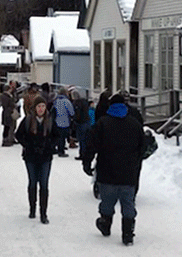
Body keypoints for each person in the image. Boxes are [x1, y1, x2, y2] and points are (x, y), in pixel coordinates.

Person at [81, 93, 144, 245]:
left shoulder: (103, 123)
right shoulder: (134, 124)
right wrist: (135, 161)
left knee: (107, 201)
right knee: (128, 203)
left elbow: (91, 144)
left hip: (106, 170)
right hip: (128, 172)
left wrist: (87, 162)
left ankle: (105, 223)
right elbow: (142, 147)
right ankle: (128, 233)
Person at [14, 96, 59, 224]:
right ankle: (32, 208)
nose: (41, 109)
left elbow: (57, 135)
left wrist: (49, 144)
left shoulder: (50, 120)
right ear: (35, 108)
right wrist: (28, 144)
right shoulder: (28, 120)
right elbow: (18, 135)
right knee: (33, 182)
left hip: (45, 156)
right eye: (39, 106)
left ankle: (43, 213)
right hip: (31, 157)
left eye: (43, 106)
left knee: (44, 184)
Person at [52, 87, 75, 157]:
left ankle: (57, 148)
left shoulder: (56, 100)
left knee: (59, 137)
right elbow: (71, 112)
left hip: (57, 121)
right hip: (65, 122)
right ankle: (61, 151)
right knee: (63, 137)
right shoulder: (66, 101)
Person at [72, 91, 92, 160]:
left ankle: (82, 154)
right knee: (86, 139)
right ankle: (87, 153)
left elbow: (77, 114)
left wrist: (74, 120)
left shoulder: (77, 103)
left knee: (81, 140)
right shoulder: (85, 102)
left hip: (81, 123)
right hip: (87, 121)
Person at [0, 81, 19, 146]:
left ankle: (10, 139)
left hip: (10, 112)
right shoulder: (5, 96)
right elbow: (6, 105)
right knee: (7, 127)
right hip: (7, 113)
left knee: (11, 126)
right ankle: (6, 140)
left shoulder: (12, 94)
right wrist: (13, 105)